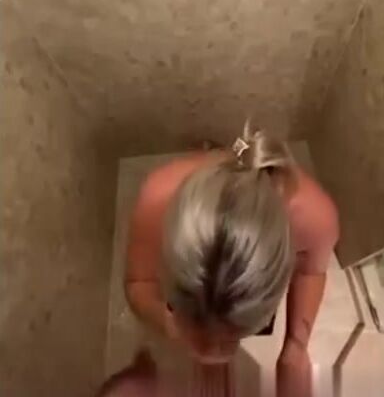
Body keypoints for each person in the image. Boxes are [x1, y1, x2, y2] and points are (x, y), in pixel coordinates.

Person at [98, 122, 339, 397]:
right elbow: (138, 282)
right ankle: (213, 155)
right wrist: (169, 323)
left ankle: (215, 154)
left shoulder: (315, 219)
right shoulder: (157, 198)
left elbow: (310, 272)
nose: (213, 352)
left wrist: (296, 349)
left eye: (233, 337)